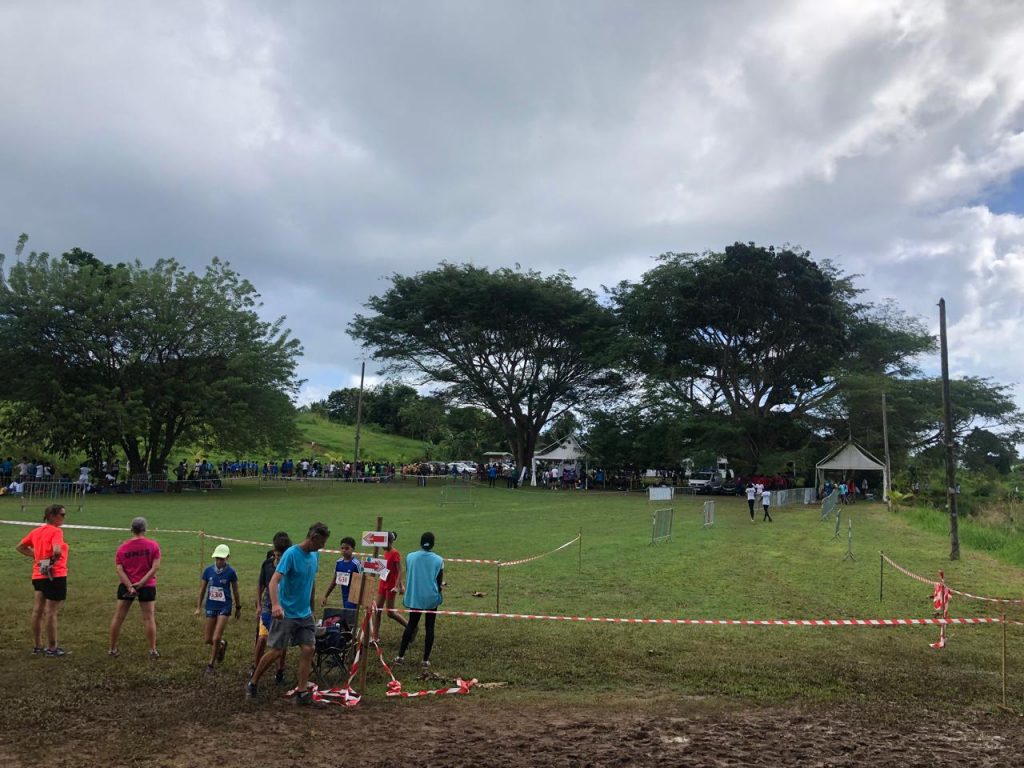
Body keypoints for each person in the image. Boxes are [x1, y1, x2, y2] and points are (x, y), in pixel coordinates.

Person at [247, 522, 330, 704]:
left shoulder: (314, 555)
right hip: (286, 613)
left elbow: (311, 581)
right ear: (313, 538)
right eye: (321, 543)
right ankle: (253, 682)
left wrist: (311, 607)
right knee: (277, 651)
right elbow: (273, 582)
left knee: (309, 648)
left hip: (304, 613)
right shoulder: (291, 554)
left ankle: (302, 693)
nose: (322, 546)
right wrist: (276, 605)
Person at [16, 504, 70, 656]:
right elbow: (57, 551)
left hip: (38, 574)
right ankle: (52, 647)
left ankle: (37, 645)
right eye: (62, 514)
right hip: (54, 575)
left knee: (37, 610)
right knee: (51, 612)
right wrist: (50, 562)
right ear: (52, 516)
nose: (64, 517)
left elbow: (20, 547)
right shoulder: (56, 531)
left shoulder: (36, 531)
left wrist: (38, 558)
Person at [108, 517, 162, 658]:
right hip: (147, 585)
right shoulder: (153, 546)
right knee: (148, 618)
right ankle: (152, 650)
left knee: (118, 617)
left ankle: (112, 649)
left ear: (131, 530)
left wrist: (129, 586)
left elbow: (119, 569)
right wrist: (141, 583)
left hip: (127, 586)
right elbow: (155, 567)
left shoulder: (122, 548)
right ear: (145, 529)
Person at [394, 532, 444, 669]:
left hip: (415, 597)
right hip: (431, 598)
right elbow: (439, 582)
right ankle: (425, 660)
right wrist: (439, 591)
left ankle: (400, 656)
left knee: (411, 624)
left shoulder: (410, 557)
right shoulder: (439, 560)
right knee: (430, 627)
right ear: (433, 544)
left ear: (421, 543)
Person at [250, 532, 291, 683]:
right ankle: (255, 667)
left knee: (281, 643)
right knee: (262, 638)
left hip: (284, 607)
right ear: (274, 552)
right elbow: (260, 585)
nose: (279, 559)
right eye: (277, 555)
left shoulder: (290, 566)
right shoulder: (267, 565)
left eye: (282, 556)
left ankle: (280, 671)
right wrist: (258, 605)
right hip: (268, 606)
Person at [195, 544, 241, 674]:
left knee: (215, 637)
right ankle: (221, 644)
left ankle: (210, 665)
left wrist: (238, 607)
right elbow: (202, 590)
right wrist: (198, 607)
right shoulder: (208, 571)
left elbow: (236, 591)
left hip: (224, 607)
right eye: (217, 558)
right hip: (211, 606)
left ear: (227, 557)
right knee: (208, 639)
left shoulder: (231, 572)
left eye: (222, 559)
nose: (219, 561)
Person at [372, 531, 407, 641]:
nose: (382, 545)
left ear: (390, 542)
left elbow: (399, 571)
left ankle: (410, 627)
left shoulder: (395, 553)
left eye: (384, 543)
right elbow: (386, 568)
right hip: (383, 583)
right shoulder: (386, 552)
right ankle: (375, 637)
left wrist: (398, 586)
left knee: (390, 613)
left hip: (391, 586)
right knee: (377, 610)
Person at [321, 536, 362, 627]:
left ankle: (351, 632)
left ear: (353, 549)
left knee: (349, 618)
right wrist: (326, 596)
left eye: (347, 548)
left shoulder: (356, 564)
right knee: (347, 619)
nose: (344, 550)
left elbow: (362, 581)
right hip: (344, 595)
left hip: (353, 596)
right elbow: (335, 580)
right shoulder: (339, 563)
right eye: (342, 548)